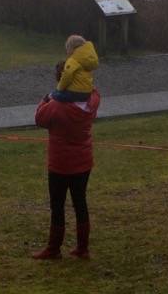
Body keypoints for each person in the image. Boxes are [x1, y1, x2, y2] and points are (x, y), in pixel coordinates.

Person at [32, 61, 100, 260]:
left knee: (58, 204)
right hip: (83, 161)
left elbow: (39, 119)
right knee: (80, 202)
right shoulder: (91, 101)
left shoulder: (55, 106)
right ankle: (83, 248)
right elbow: (95, 91)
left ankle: (54, 249)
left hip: (60, 164)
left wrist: (46, 98)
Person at [50, 34, 98, 102]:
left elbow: (67, 75)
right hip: (87, 92)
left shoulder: (73, 59)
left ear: (71, 48)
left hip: (75, 93)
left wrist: (59, 88)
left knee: (54, 95)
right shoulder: (87, 60)